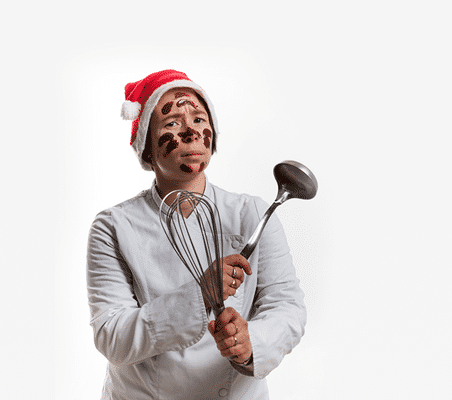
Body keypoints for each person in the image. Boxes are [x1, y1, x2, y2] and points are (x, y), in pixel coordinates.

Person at [87, 69, 306, 399]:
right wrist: (199, 295)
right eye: (173, 123)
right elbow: (111, 335)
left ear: (212, 135)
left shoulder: (254, 214)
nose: (190, 129)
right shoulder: (113, 227)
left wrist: (250, 344)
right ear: (146, 146)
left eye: (199, 118)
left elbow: (287, 308)